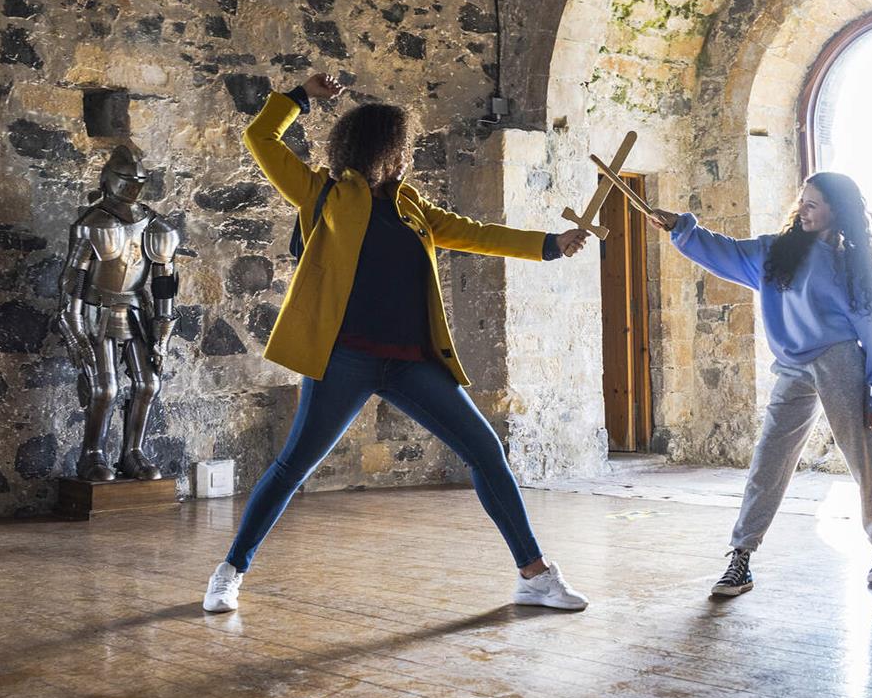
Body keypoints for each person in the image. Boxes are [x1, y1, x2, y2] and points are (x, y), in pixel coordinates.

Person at [204, 71, 593, 613]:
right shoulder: (322, 193)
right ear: (384, 150)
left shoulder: (413, 210)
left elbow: (477, 233)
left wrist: (550, 244)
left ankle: (534, 575)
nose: (407, 157)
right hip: (344, 359)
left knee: (486, 451)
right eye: (402, 147)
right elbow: (260, 139)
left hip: (412, 364)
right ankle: (230, 571)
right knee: (294, 466)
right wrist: (300, 97)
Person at [643, 173, 872, 596]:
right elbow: (725, 251)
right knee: (769, 460)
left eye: (814, 204)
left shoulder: (851, 265)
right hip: (791, 366)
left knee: (863, 459)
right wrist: (681, 227)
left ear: (837, 211)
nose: (804, 209)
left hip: (838, 360)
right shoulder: (774, 253)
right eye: (802, 201)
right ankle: (741, 558)